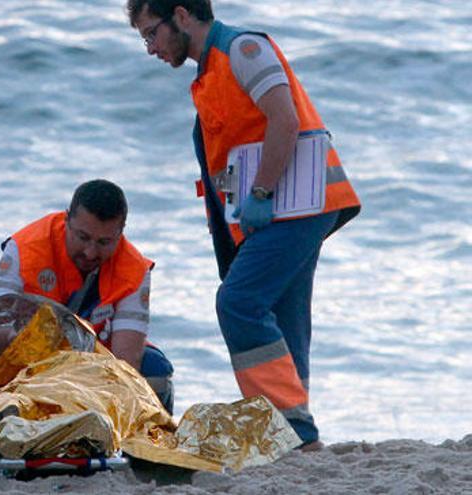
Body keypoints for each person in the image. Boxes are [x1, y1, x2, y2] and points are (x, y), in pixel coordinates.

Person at [125, 0, 361, 450]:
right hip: (289, 208)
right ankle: (297, 433)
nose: (150, 48)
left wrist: (260, 194)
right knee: (284, 316)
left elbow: (285, 117)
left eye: (150, 33)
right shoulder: (210, 71)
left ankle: (292, 431)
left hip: (296, 204)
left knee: (239, 303)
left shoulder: (242, 49)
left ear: (181, 14)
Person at [0, 179, 175, 414]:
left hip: (96, 363)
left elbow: (127, 361)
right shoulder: (24, 249)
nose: (91, 252)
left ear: (121, 232)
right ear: (67, 221)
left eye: (104, 242)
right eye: (83, 237)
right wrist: (34, 341)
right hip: (29, 354)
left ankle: (138, 446)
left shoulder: (134, 269)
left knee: (156, 373)